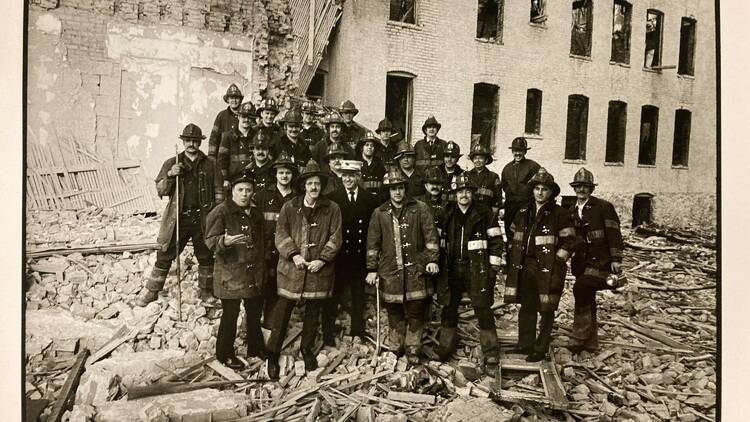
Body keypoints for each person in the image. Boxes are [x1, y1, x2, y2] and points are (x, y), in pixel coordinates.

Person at [266, 160, 342, 379]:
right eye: (310, 184)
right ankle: (272, 354)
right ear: (304, 186)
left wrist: (323, 260)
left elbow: (336, 237)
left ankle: (306, 349)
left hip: (318, 270)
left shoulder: (332, 209)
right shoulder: (290, 206)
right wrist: (294, 254)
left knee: (313, 312)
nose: (314, 188)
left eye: (317, 183)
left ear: (322, 185)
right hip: (292, 269)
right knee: (282, 311)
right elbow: (280, 234)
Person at [136, 124, 222, 306]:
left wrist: (217, 216)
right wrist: (170, 174)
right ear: (183, 142)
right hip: (179, 217)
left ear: (200, 142)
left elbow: (219, 191)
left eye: (195, 141)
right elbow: (161, 190)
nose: (191, 144)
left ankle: (206, 293)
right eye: (188, 140)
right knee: (165, 253)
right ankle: (152, 291)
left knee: (205, 254)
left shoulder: (210, 164)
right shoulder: (172, 162)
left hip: (203, 218)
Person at [366, 168, 440, 365]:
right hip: (390, 271)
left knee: (417, 308)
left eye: (400, 188)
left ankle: (413, 347)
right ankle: (396, 344)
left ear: (405, 189)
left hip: (417, 270)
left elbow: (431, 237)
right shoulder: (379, 213)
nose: (397, 192)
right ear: (388, 191)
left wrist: (431, 260)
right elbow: (372, 244)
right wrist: (372, 269)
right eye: (393, 189)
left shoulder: (420, 208)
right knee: (394, 309)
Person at [504, 168, 577, 362]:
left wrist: (558, 261)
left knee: (546, 308)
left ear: (551, 192)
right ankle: (525, 343)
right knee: (527, 305)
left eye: (544, 189)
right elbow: (512, 234)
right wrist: (513, 253)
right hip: (526, 265)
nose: (540, 192)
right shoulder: (523, 212)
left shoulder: (560, 214)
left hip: (548, 268)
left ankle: (540, 347)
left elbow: (570, 241)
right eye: (537, 188)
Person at [435, 173, 504, 374]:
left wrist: (492, 270)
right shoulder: (446, 214)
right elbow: (437, 244)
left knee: (483, 308)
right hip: (451, 269)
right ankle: (445, 346)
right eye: (459, 191)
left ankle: (491, 351)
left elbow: (497, 243)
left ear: (472, 193)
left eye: (467, 191)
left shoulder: (485, 215)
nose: (463, 195)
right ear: (455, 195)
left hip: (477, 268)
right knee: (449, 307)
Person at [204, 172, 266, 369]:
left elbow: (261, 242)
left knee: (254, 312)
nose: (245, 194)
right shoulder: (220, 212)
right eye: (240, 190)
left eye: (249, 190)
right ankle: (224, 354)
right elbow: (209, 240)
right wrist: (224, 241)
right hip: (230, 274)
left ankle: (255, 348)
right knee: (230, 315)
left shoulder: (256, 214)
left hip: (252, 273)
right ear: (232, 191)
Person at [567, 168, 623, 353]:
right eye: (578, 186)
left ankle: (579, 336)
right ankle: (591, 342)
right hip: (581, 263)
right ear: (574, 188)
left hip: (601, 260)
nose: (581, 189)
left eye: (585, 186)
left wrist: (616, 258)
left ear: (591, 189)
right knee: (587, 295)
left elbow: (614, 233)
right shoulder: (572, 210)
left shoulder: (603, 207)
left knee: (581, 288)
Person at [324, 160, 380, 344]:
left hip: (359, 256)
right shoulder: (332, 198)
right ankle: (328, 333)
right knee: (333, 295)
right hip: (339, 256)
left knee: (358, 294)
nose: (348, 179)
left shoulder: (370, 199)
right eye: (345, 175)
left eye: (352, 175)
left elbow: (373, 230)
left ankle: (358, 330)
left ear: (358, 176)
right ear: (341, 177)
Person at [254, 152, 298, 329]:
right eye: (281, 172)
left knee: (284, 288)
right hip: (267, 250)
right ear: (276, 174)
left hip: (288, 252)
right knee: (266, 287)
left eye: (288, 172)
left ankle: (277, 325)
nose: (284, 176)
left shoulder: (297, 197)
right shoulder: (263, 196)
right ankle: (260, 326)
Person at [500, 137, 541, 244]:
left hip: (527, 206)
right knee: (510, 234)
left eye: (520, 151)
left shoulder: (533, 166)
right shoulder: (507, 168)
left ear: (525, 151)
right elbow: (504, 186)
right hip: (511, 206)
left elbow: (543, 182)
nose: (517, 153)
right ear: (512, 151)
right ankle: (510, 258)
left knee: (525, 234)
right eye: (515, 151)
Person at [218, 102, 256, 191]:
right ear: (238, 116)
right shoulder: (227, 136)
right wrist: (225, 178)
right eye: (244, 117)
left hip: (251, 180)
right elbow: (222, 159)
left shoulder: (256, 136)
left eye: (249, 117)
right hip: (233, 181)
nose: (246, 120)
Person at [208, 83, 245, 160]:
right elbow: (214, 138)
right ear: (228, 100)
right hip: (224, 156)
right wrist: (211, 157)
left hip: (241, 157)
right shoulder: (221, 116)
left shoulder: (245, 116)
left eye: (236, 98)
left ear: (240, 100)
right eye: (231, 98)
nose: (234, 100)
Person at [465, 140, 502, 215]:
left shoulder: (493, 177)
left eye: (481, 158)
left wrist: (494, 212)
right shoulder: (467, 175)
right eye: (475, 158)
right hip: (470, 212)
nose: (477, 161)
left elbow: (498, 197)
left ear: (486, 160)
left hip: (487, 212)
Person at [271, 108, 311, 173]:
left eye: (297, 126)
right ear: (285, 127)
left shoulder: (304, 145)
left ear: (300, 127)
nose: (294, 129)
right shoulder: (278, 144)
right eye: (291, 126)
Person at [245, 128, 275, 192]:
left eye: (264, 149)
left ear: (268, 150)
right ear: (253, 151)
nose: (261, 152)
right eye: (258, 149)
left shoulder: (275, 169)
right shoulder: (247, 170)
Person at [359, 131, 387, 197]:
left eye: (372, 145)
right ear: (362, 147)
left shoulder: (380, 164)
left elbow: (384, 185)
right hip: (361, 199)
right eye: (367, 145)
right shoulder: (357, 163)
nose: (369, 147)